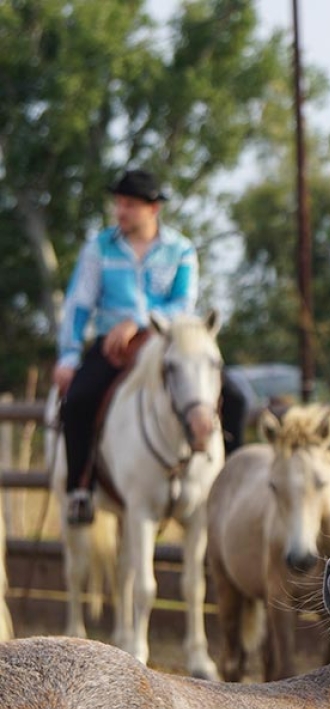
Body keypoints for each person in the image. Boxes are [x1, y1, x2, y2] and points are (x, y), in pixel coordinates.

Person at [53, 167, 247, 525]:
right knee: (78, 400)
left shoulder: (181, 249)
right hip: (114, 349)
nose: (120, 211)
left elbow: (184, 303)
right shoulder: (99, 248)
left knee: (237, 398)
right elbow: (79, 305)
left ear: (153, 208)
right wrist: (67, 357)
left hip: (169, 343)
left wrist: (139, 321)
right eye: (118, 203)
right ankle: (79, 490)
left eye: (129, 204)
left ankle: (229, 489)